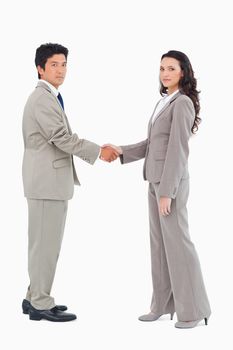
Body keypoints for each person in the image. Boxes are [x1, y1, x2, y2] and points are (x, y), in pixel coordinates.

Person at [105, 50, 211, 329]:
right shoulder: (165, 102)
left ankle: (194, 310)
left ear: (183, 73)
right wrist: (122, 151)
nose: (165, 73)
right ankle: (162, 306)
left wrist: (168, 191)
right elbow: (153, 144)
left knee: (179, 246)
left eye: (171, 69)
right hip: (154, 181)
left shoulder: (183, 103)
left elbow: (178, 151)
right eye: (162, 68)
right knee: (159, 247)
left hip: (169, 184)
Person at [22, 43, 119, 322]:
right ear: (40, 68)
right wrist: (99, 151)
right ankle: (40, 303)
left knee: (43, 245)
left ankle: (34, 297)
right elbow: (61, 138)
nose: (61, 70)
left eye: (64, 64)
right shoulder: (42, 98)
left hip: (47, 182)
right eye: (54, 64)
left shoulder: (50, 96)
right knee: (45, 246)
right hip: (45, 183)